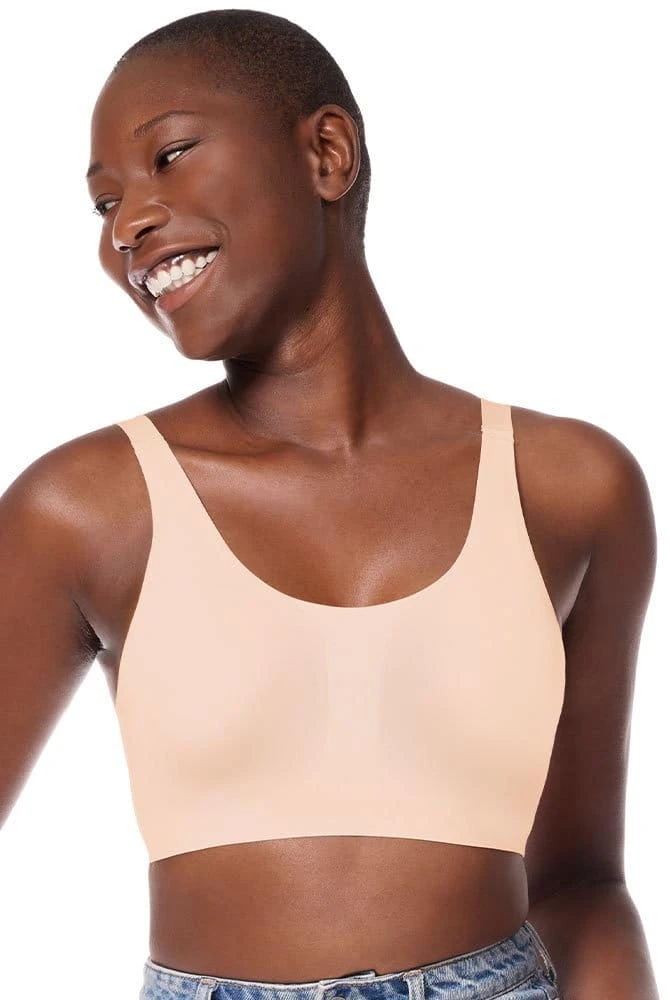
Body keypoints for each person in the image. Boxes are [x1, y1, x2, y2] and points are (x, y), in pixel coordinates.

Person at [0, 9, 660, 1000]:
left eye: (169, 157)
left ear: (326, 154)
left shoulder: (569, 486)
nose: (127, 224)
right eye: (103, 204)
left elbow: (582, 884)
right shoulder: (84, 509)